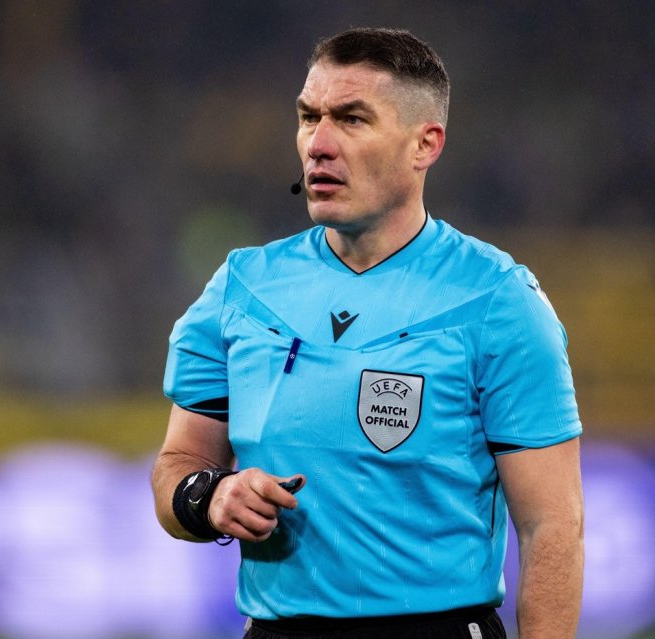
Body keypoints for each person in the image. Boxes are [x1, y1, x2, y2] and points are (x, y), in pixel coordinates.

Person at [151, 27, 584, 639]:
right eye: (309, 117)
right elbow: (179, 465)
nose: (319, 145)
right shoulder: (241, 288)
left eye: (352, 120)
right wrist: (209, 497)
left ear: (424, 144)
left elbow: (552, 527)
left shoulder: (498, 301)